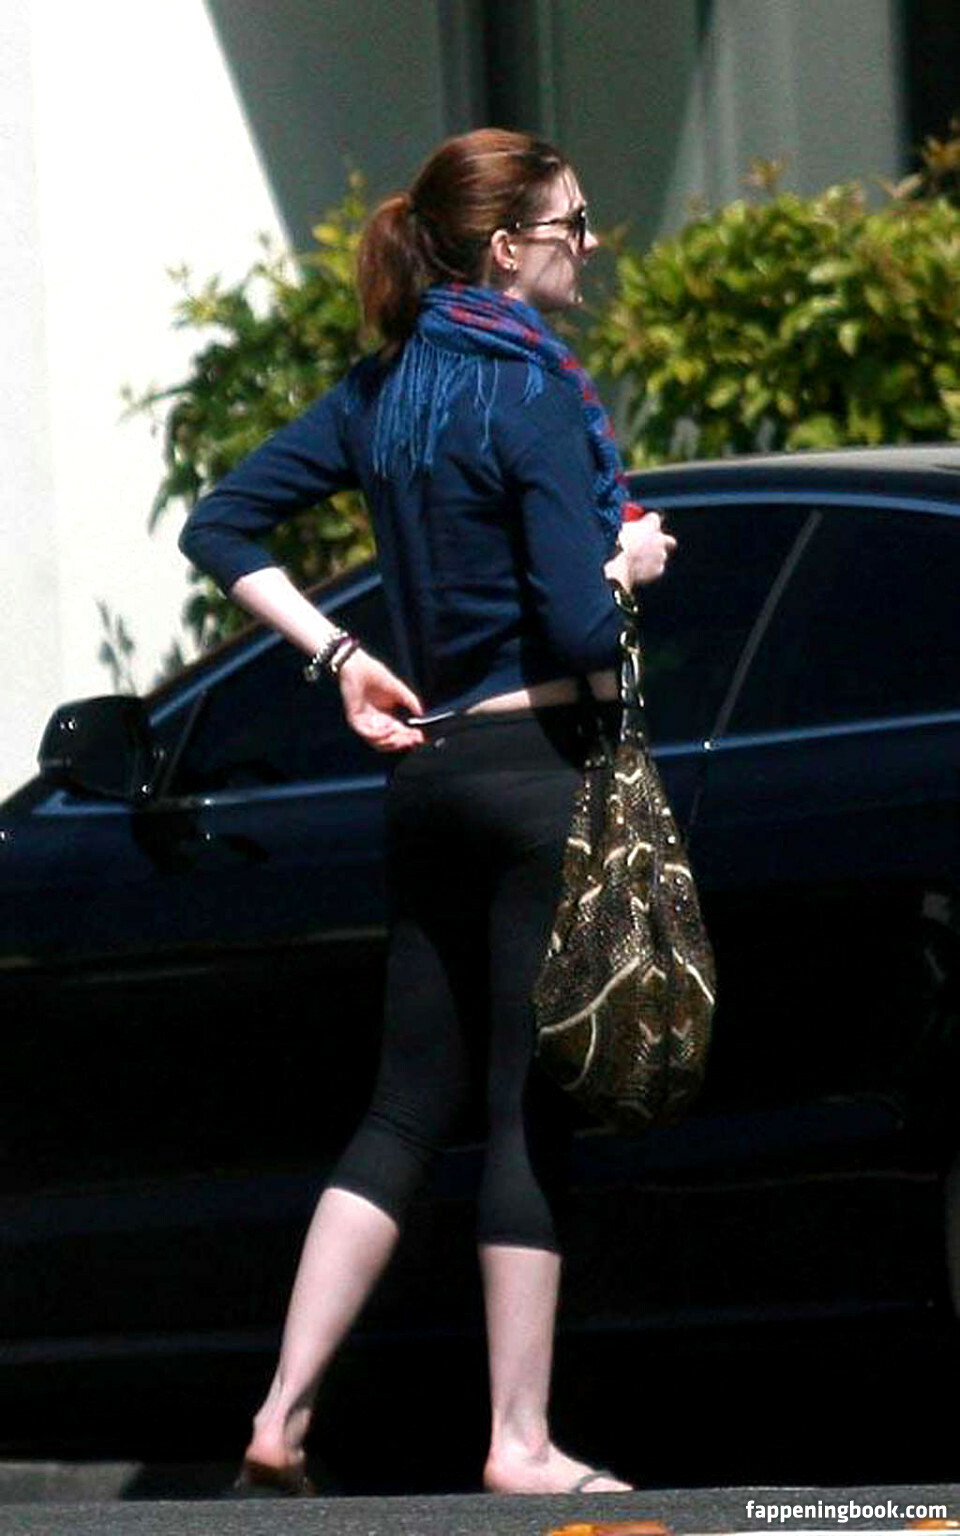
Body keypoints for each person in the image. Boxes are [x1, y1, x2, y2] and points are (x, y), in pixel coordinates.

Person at [178, 127, 676, 1497]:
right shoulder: (531, 393)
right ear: (506, 248)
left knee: (402, 1108)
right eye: (571, 225)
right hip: (536, 774)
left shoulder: (382, 392)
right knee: (523, 1111)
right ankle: (520, 1442)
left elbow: (219, 525)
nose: (589, 246)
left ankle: (282, 1414)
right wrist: (628, 561)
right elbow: (580, 625)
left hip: (430, 778)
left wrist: (339, 657)